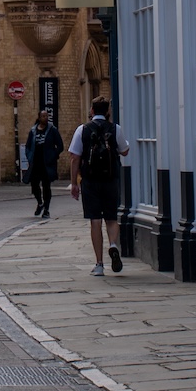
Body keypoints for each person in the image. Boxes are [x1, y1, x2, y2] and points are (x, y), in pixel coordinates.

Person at [69, 98, 130, 276]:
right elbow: (125, 150)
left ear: (92, 110)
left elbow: (74, 157)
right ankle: (112, 245)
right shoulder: (115, 129)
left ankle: (99, 265)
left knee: (95, 221)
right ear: (107, 111)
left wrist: (74, 183)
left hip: (90, 181)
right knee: (111, 218)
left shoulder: (83, 129)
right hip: (110, 179)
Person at [25, 108, 63, 219]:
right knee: (34, 185)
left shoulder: (52, 130)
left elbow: (60, 146)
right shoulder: (33, 131)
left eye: (47, 116)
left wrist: (53, 156)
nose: (45, 118)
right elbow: (28, 146)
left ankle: (46, 209)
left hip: (47, 164)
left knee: (46, 187)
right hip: (35, 163)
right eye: (43, 116)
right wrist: (29, 157)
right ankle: (40, 202)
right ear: (39, 117)